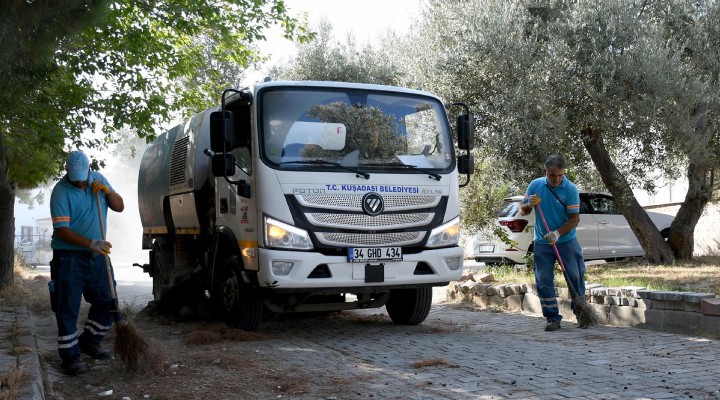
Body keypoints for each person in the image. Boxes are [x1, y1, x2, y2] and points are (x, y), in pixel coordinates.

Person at [49, 150, 125, 376]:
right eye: (76, 178)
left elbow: (120, 206)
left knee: (107, 301)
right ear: (67, 173)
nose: (81, 181)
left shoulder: (98, 180)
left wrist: (108, 192)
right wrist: (91, 243)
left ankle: (89, 342)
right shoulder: (60, 192)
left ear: (89, 170)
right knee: (68, 306)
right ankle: (70, 357)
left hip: (98, 256)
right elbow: (61, 230)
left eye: (83, 176)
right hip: (69, 257)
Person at [518, 155, 587, 331]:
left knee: (575, 277)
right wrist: (529, 204)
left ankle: (581, 313)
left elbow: (574, 219)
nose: (556, 179)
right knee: (543, 280)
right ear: (545, 172)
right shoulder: (535, 185)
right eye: (552, 175)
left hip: (566, 241)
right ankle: (552, 318)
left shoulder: (570, 189)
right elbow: (523, 210)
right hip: (542, 242)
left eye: (560, 175)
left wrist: (557, 233)